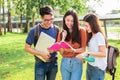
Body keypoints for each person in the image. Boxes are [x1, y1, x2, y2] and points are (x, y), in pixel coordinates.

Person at [24, 5, 60, 80]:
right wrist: (41, 54)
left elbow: (59, 46)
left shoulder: (56, 29)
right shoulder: (34, 30)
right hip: (40, 64)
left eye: (51, 19)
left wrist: (54, 49)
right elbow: (27, 48)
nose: (50, 22)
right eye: (46, 20)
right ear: (41, 18)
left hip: (53, 63)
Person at [58, 9, 87, 80]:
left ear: (76, 21)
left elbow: (83, 49)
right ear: (64, 19)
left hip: (77, 62)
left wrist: (72, 50)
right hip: (65, 63)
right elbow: (61, 53)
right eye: (68, 20)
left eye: (72, 21)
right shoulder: (61, 33)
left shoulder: (82, 31)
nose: (69, 23)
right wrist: (63, 39)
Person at [78, 13, 108, 80]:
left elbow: (103, 54)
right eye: (84, 25)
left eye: (87, 26)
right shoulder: (91, 35)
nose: (85, 28)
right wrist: (84, 57)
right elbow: (93, 53)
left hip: (97, 69)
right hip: (90, 66)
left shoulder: (99, 36)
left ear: (93, 25)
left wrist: (88, 53)